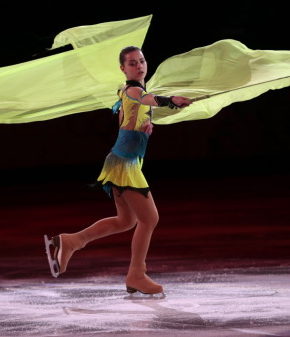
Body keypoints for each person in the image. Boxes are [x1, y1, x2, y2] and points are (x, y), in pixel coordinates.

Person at [44, 46, 192, 295]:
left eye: (142, 61)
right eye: (132, 63)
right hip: (125, 164)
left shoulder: (125, 92)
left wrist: (143, 128)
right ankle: (137, 274)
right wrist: (170, 101)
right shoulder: (134, 89)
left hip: (120, 160)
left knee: (126, 221)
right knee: (149, 219)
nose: (139, 66)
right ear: (123, 69)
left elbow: (127, 119)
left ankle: (72, 241)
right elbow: (147, 99)